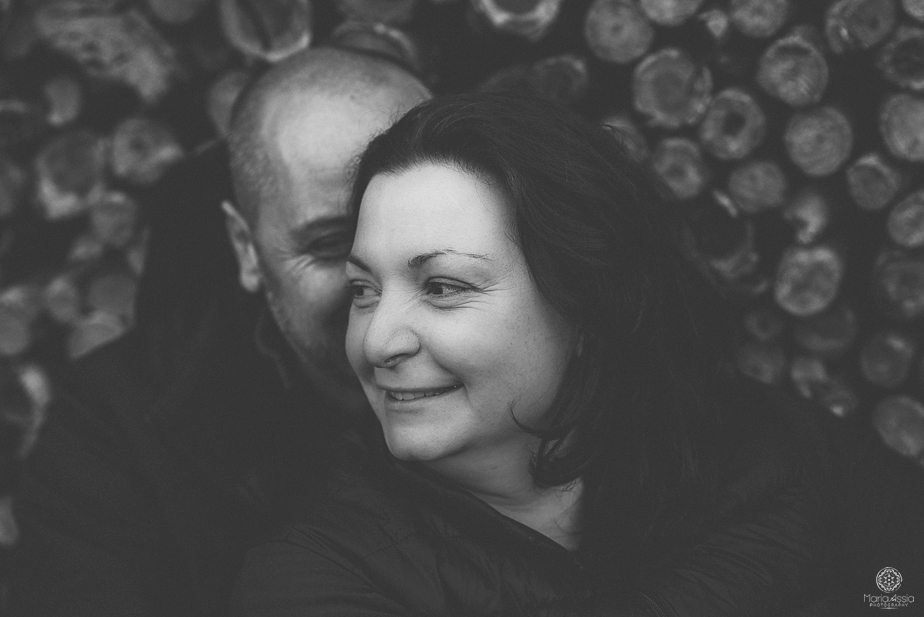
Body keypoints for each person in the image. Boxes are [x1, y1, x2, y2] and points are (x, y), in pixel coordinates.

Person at [234, 92, 924, 617]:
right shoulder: (312, 584)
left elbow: (898, 584)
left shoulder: (766, 447)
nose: (378, 340)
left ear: (586, 299)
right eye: (364, 288)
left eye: (442, 286)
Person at [7, 48, 429, 617]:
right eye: (331, 244)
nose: (389, 288)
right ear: (246, 249)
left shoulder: (556, 369)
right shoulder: (112, 436)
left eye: (423, 227)